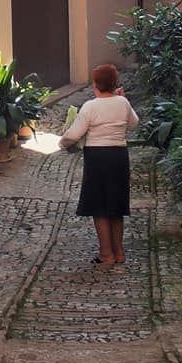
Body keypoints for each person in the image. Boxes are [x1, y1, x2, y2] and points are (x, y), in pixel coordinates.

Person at [59, 64, 139, 265]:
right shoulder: (123, 102)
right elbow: (134, 123)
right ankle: (119, 252)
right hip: (119, 156)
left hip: (97, 157)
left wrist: (62, 143)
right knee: (117, 205)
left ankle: (106, 254)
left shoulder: (90, 106)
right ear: (114, 83)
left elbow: (74, 134)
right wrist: (124, 100)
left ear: (96, 84)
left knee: (100, 206)